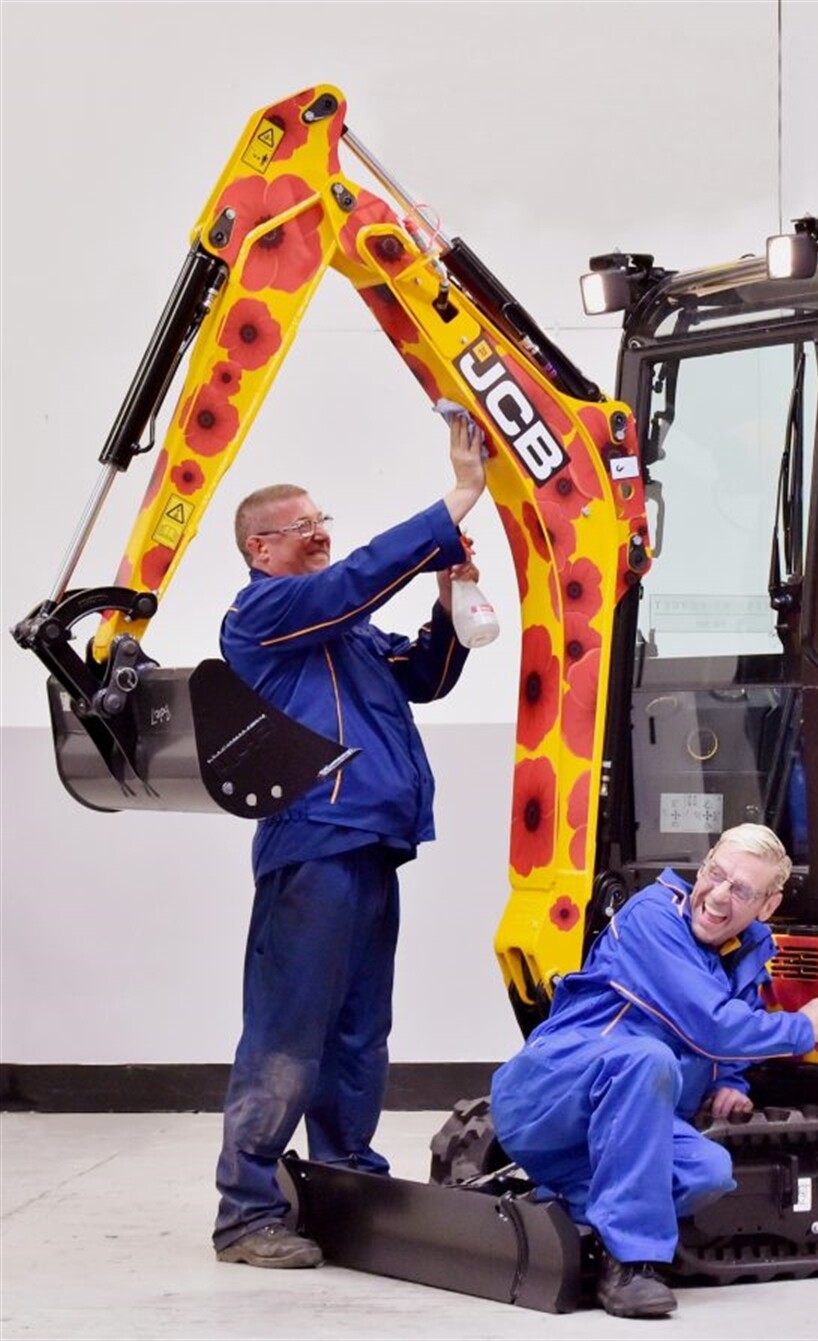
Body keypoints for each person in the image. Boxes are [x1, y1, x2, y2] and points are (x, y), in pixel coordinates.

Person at [211, 414, 488, 1268]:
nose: (321, 533)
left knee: (361, 1032)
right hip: (314, 845)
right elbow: (357, 581)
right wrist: (459, 492)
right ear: (262, 548)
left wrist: (450, 600)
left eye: (321, 517)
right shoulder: (262, 615)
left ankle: (343, 1183)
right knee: (288, 1033)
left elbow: (424, 677)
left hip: (371, 842)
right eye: (303, 527)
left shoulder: (344, 632)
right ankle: (246, 1212)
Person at [488, 824, 818, 1319]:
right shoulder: (653, 917)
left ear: (768, 906)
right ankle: (630, 1263)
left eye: (742, 890)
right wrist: (807, 1026)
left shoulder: (747, 952)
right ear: (705, 864)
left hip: (624, 1126)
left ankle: (559, 1204)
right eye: (716, 874)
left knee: (708, 1173)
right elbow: (709, 1023)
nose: (717, 896)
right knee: (646, 1057)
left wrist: (729, 1081)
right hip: (546, 1093)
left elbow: (732, 1024)